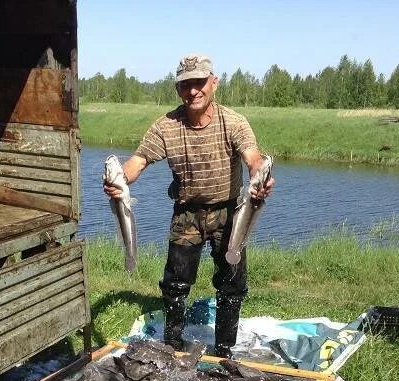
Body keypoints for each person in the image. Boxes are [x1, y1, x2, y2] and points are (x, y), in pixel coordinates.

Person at [103, 53, 274, 358]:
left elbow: (253, 157)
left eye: (199, 82)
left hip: (229, 211)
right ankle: (173, 346)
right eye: (186, 85)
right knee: (175, 284)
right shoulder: (166, 126)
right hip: (186, 214)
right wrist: (119, 182)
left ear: (214, 83)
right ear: (177, 89)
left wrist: (261, 178)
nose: (193, 90)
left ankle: (224, 351)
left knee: (232, 283)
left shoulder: (233, 122)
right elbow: (138, 161)